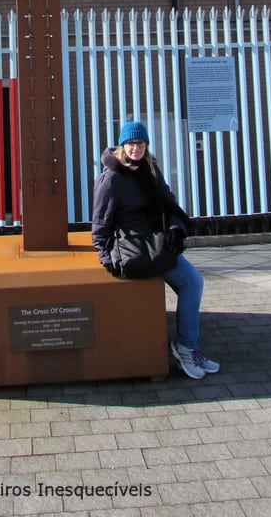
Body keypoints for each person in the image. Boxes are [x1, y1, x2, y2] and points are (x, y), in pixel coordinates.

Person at [91, 120, 220, 380]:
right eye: (130, 143)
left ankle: (187, 347)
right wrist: (105, 257)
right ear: (122, 146)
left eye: (140, 143)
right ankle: (187, 349)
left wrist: (174, 229)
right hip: (133, 248)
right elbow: (100, 223)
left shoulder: (150, 169)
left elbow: (168, 204)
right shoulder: (111, 179)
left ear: (146, 145)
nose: (135, 148)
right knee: (190, 283)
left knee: (193, 282)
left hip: (158, 242)